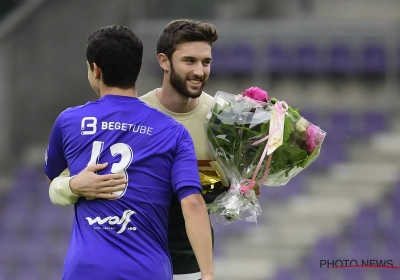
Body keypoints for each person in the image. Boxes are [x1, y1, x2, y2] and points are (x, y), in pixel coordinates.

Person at [49, 19, 259, 280]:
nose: (199, 71)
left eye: (206, 62)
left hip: (187, 262)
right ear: (163, 61)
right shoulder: (139, 115)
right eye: (189, 61)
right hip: (147, 258)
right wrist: (72, 186)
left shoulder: (224, 121)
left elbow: (227, 193)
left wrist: (242, 187)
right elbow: (72, 179)